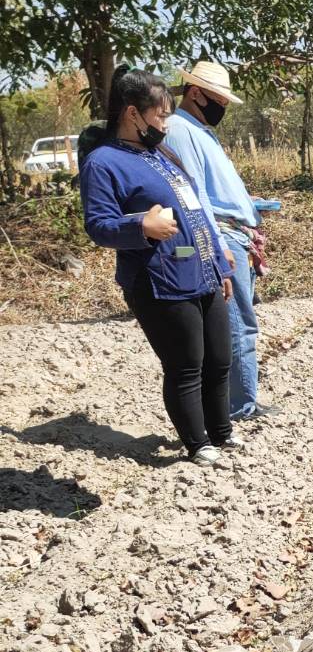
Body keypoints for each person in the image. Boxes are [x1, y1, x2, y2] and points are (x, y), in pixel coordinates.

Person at [79, 69, 239, 467]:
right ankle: (198, 443)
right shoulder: (104, 163)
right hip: (159, 280)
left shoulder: (161, 154)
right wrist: (140, 226)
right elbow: (98, 225)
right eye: (161, 116)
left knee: (219, 360)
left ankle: (222, 433)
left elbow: (196, 212)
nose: (166, 124)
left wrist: (218, 263)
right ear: (133, 113)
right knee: (186, 365)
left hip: (200, 270)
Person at [165, 59, 281, 424]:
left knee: (239, 323)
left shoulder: (199, 129)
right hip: (223, 236)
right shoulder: (180, 132)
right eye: (220, 99)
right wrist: (218, 247)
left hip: (234, 231)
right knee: (237, 325)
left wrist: (250, 207)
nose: (224, 107)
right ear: (196, 93)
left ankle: (241, 402)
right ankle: (238, 408)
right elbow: (194, 197)